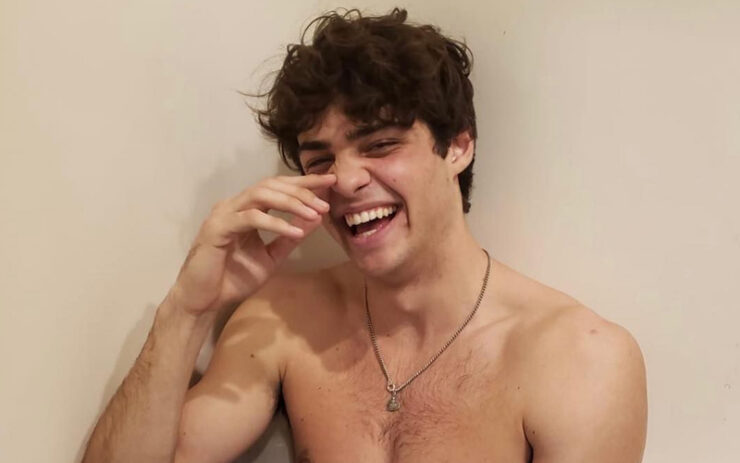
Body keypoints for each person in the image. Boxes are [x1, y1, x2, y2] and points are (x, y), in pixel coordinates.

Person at [82, 8, 647, 463]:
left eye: (380, 145)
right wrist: (188, 310)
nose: (347, 180)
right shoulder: (285, 321)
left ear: (457, 146)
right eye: (320, 159)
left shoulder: (580, 360)